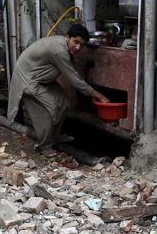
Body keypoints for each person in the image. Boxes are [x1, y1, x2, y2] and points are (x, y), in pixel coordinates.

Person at [6, 24, 111, 156]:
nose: (78, 47)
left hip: (41, 78)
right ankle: (44, 146)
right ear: (67, 37)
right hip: (29, 79)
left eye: (82, 45)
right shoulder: (59, 50)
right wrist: (99, 95)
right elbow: (74, 79)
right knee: (49, 110)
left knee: (63, 102)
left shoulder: (64, 46)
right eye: (76, 42)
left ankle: (54, 137)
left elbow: (72, 74)